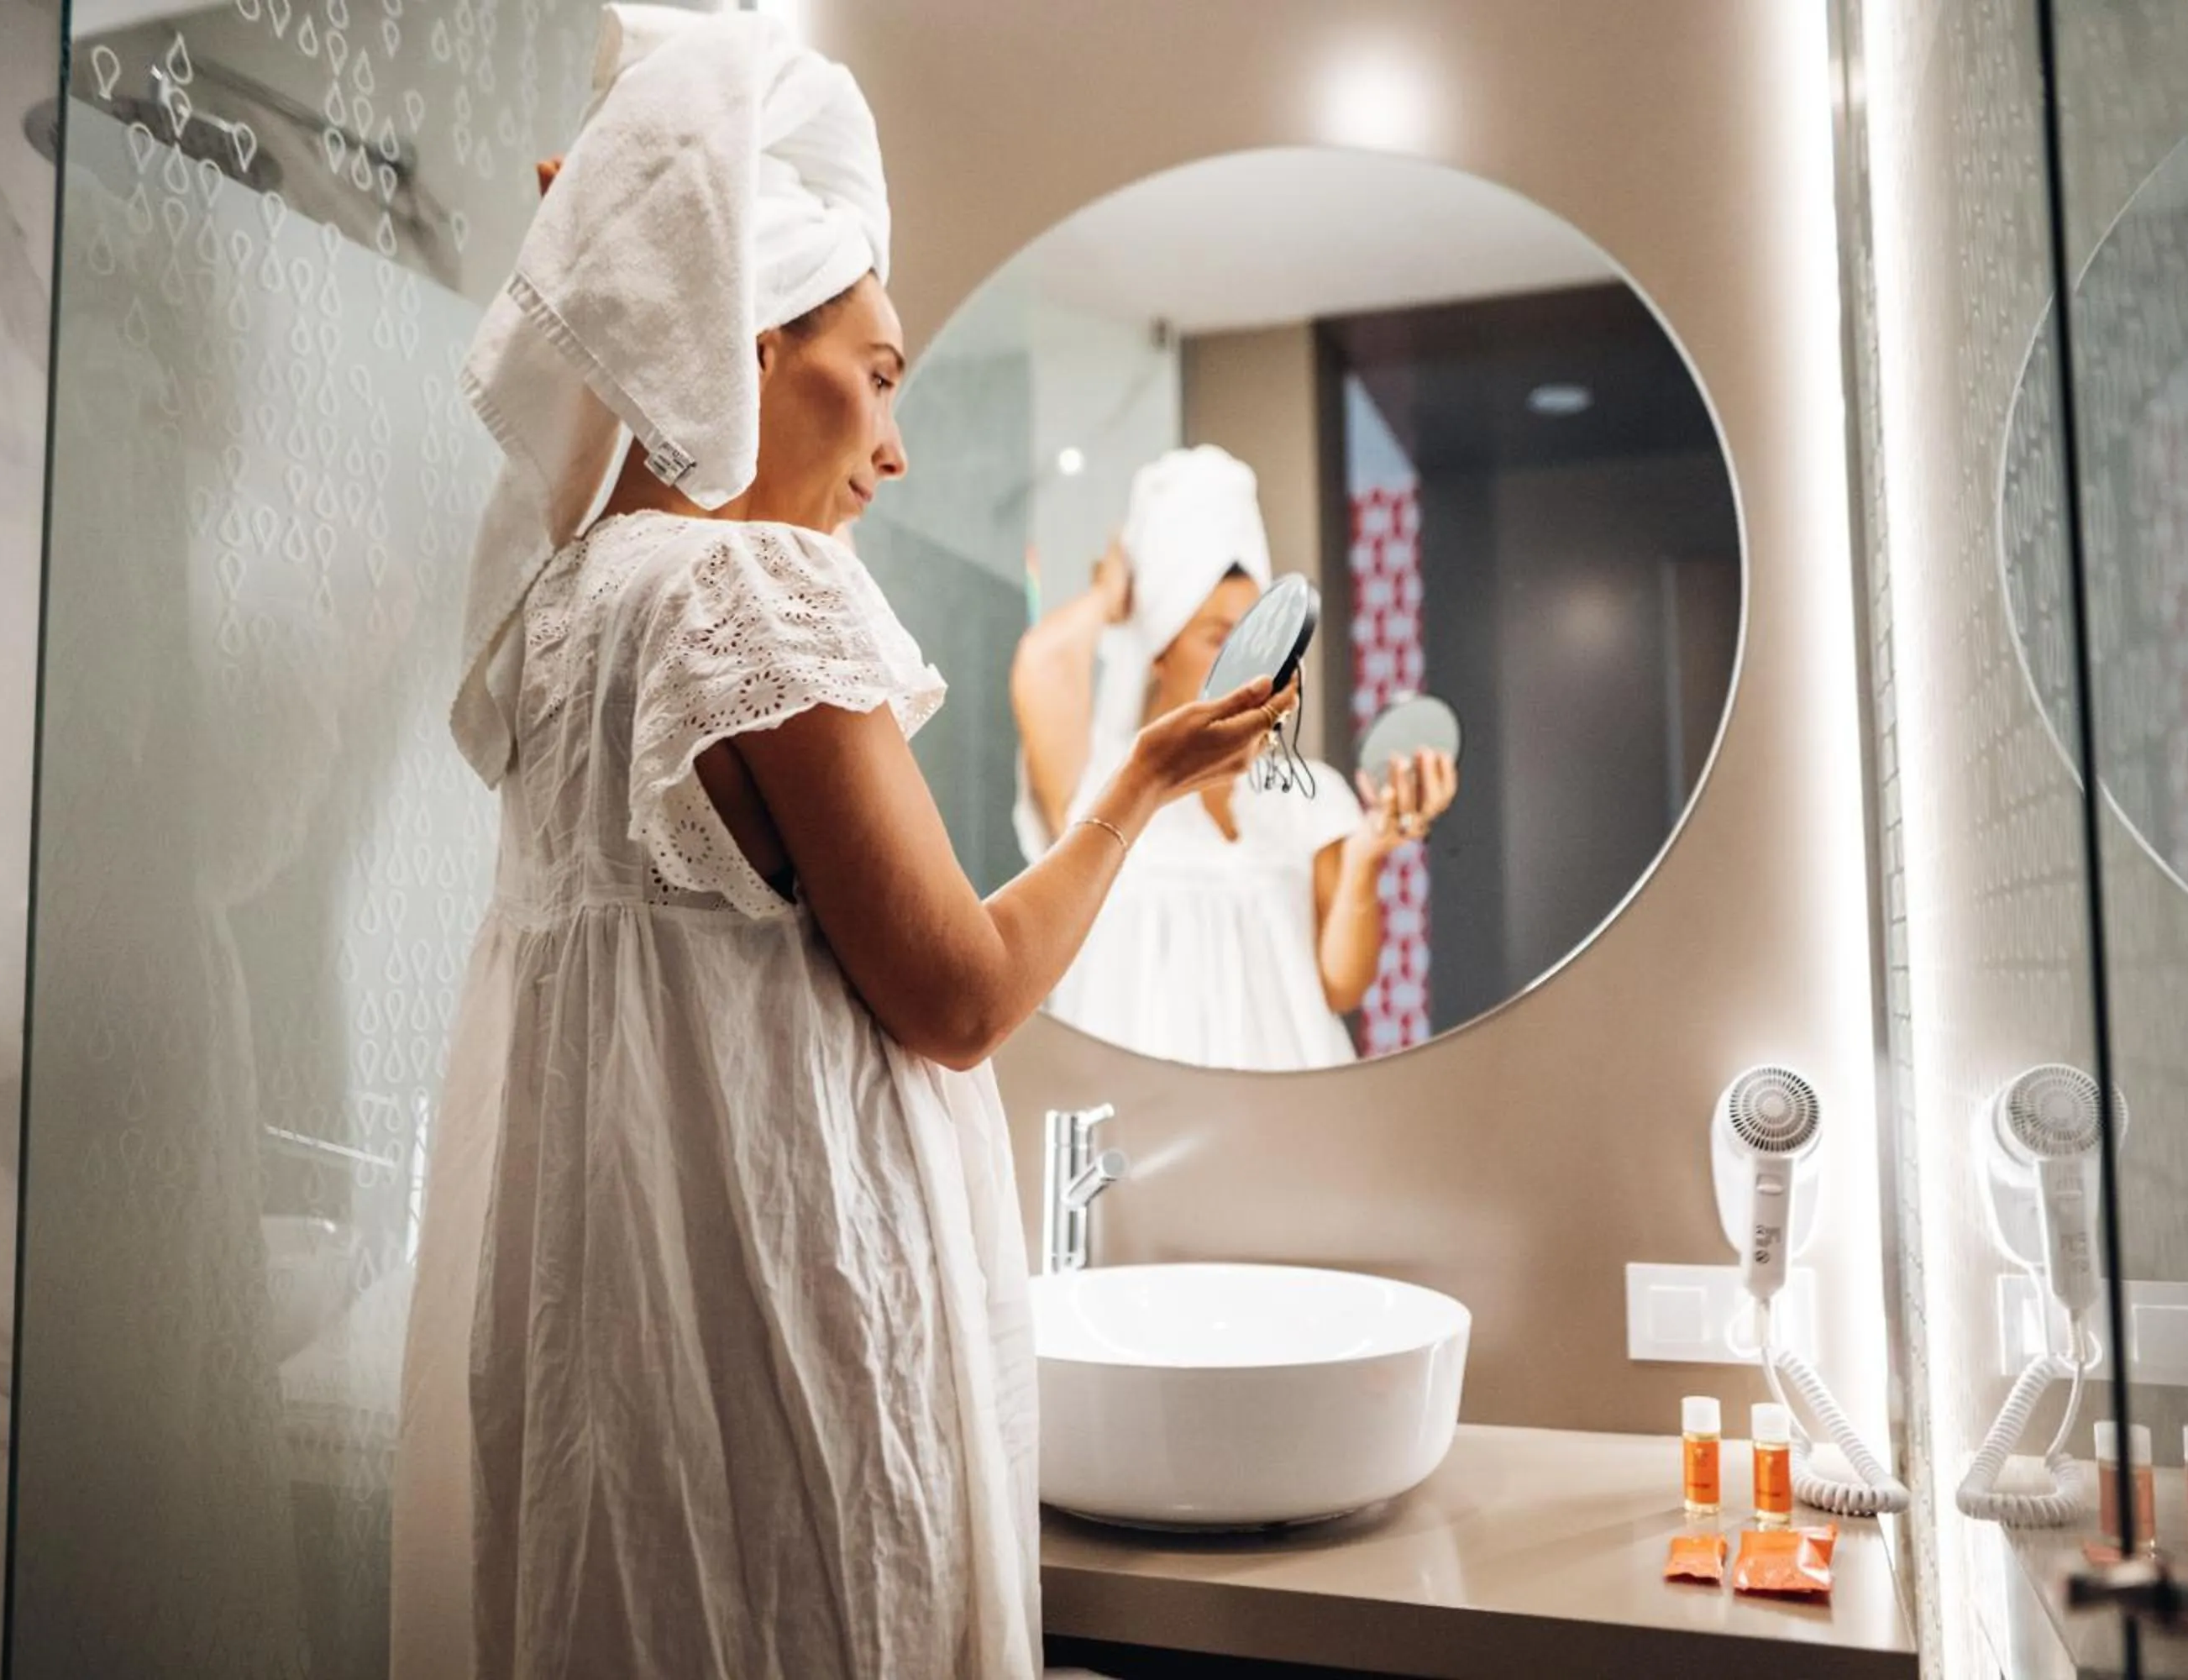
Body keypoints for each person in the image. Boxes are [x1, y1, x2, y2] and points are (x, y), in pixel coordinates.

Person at [390, 12, 1284, 1678]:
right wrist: (1143, 779)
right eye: (872, 375)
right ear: (732, 347)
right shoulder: (748, 593)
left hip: (611, 1322)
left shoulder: (562, 608)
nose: (894, 443)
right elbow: (956, 996)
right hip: (774, 1317)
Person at [1010, 446, 1458, 1071]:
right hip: (1141, 1129)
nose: (1253, 661)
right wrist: (1115, 598)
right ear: (1158, 649)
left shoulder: (1311, 795)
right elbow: (1044, 662)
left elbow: (1341, 987)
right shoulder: (1101, 786)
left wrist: (1365, 858)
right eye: (1219, 637)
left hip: (1290, 1123)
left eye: (1260, 633)